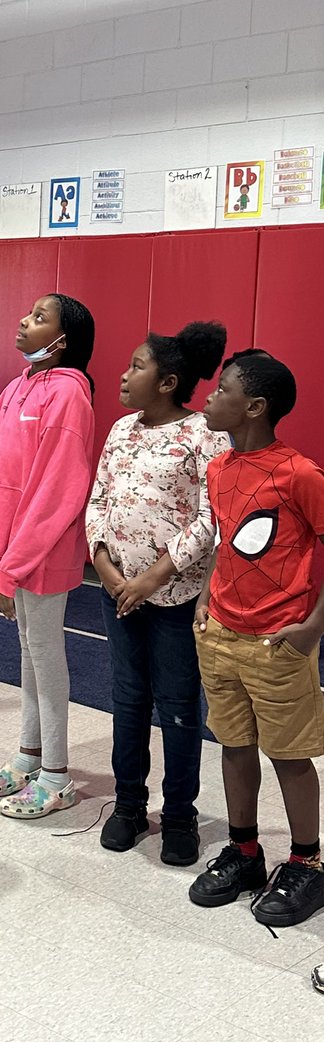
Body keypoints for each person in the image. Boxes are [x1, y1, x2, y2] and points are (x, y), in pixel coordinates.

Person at [86, 322, 230, 865]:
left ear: (168, 381)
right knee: (127, 698)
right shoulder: (121, 430)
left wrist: (154, 577)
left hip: (173, 598)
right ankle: (128, 806)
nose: (123, 376)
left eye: (136, 367)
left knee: (177, 707)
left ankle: (179, 816)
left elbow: (209, 518)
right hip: (116, 591)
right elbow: (98, 499)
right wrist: (103, 563)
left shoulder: (203, 436)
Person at [190, 353, 324, 928]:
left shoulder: (300, 474)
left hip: (278, 641)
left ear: (254, 406)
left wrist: (315, 625)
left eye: (222, 391)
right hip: (220, 632)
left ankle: (308, 863)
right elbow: (230, 542)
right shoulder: (219, 469)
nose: (209, 399)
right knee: (234, 743)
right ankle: (246, 852)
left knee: (289, 756)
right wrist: (204, 598)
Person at [0, 294, 95, 817]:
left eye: (41, 318)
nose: (25, 320)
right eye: (29, 312)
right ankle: (28, 757)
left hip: (43, 554)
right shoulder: (14, 390)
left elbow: (55, 493)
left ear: (63, 341)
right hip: (10, 553)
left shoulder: (69, 396)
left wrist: (14, 563)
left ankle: (58, 775)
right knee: (27, 653)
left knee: (46, 656)